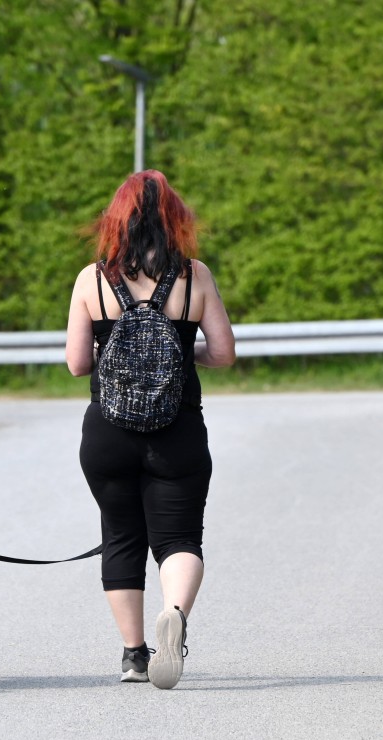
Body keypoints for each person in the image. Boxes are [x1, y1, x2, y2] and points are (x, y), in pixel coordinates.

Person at [65, 170, 236, 689]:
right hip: (177, 429)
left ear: (115, 220)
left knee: (120, 537)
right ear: (175, 220)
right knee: (179, 538)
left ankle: (134, 656)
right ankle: (175, 615)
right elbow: (225, 354)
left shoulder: (91, 278)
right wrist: (182, 356)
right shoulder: (194, 276)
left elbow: (76, 364)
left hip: (108, 432)